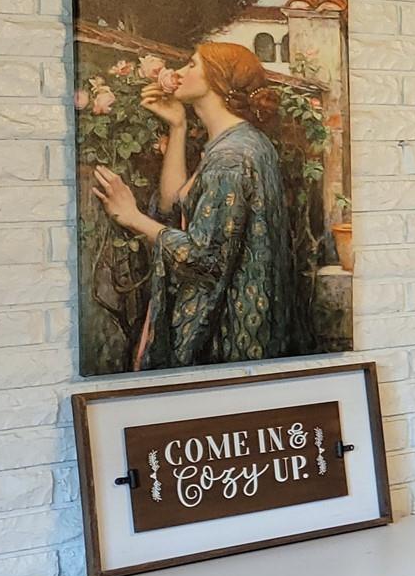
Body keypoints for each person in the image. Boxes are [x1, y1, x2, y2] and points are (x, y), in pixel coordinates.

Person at [90, 42, 298, 368]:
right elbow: (176, 205)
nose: (180, 73)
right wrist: (178, 127)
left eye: (192, 65)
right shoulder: (234, 143)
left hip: (228, 332)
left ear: (217, 80)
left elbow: (203, 256)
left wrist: (132, 217)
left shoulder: (231, 157)